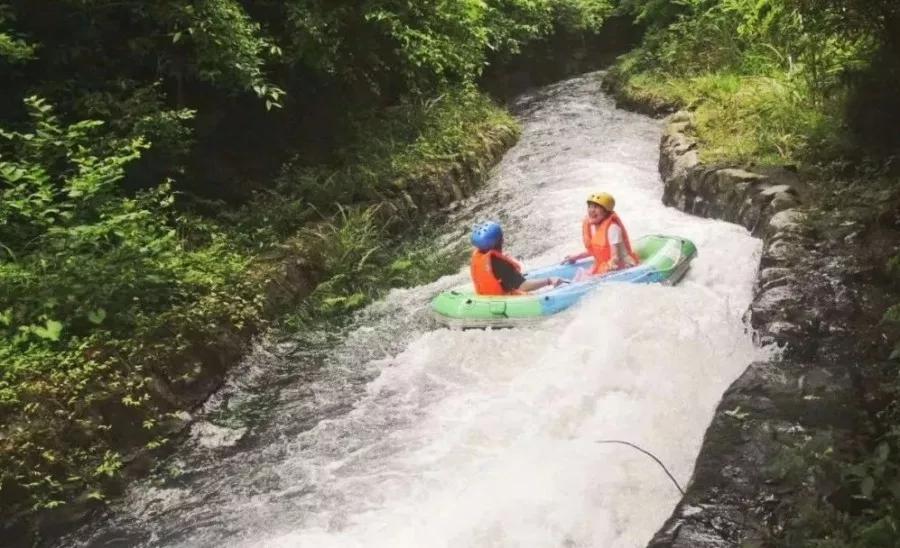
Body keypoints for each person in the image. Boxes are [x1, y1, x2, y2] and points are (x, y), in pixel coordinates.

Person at [470, 221, 562, 296]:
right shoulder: (501, 264)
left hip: (486, 297)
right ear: (502, 240)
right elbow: (523, 286)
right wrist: (549, 281)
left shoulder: (479, 256)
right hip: (505, 299)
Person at [562, 192, 640, 276]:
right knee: (585, 275)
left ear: (606, 212)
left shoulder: (613, 228)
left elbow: (615, 257)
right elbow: (595, 251)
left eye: (595, 207)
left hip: (623, 265)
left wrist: (611, 264)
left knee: (587, 278)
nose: (591, 210)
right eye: (590, 207)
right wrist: (576, 257)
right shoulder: (593, 227)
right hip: (603, 264)